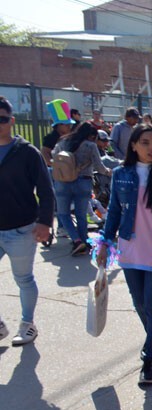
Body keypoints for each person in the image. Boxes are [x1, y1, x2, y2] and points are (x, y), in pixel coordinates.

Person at [97, 124, 152, 384]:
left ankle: (149, 358)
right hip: (130, 249)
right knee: (139, 304)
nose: (151, 148)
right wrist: (105, 242)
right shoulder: (121, 174)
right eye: (145, 143)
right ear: (133, 145)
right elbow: (114, 211)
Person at [0, 95, 54, 346]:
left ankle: (27, 324)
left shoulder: (27, 153)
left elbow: (45, 189)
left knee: (23, 279)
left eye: (1, 119)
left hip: (20, 228)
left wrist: (44, 222)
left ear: (11, 121)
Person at [53, 122, 113, 255]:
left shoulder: (63, 141)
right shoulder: (90, 145)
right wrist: (109, 171)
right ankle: (84, 240)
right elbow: (99, 167)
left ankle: (76, 240)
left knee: (63, 214)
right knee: (81, 214)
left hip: (63, 182)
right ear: (92, 136)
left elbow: (54, 157)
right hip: (84, 182)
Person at [41, 99, 74, 166]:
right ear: (59, 125)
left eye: (70, 125)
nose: (69, 127)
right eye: (66, 125)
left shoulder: (69, 137)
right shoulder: (50, 138)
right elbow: (45, 154)